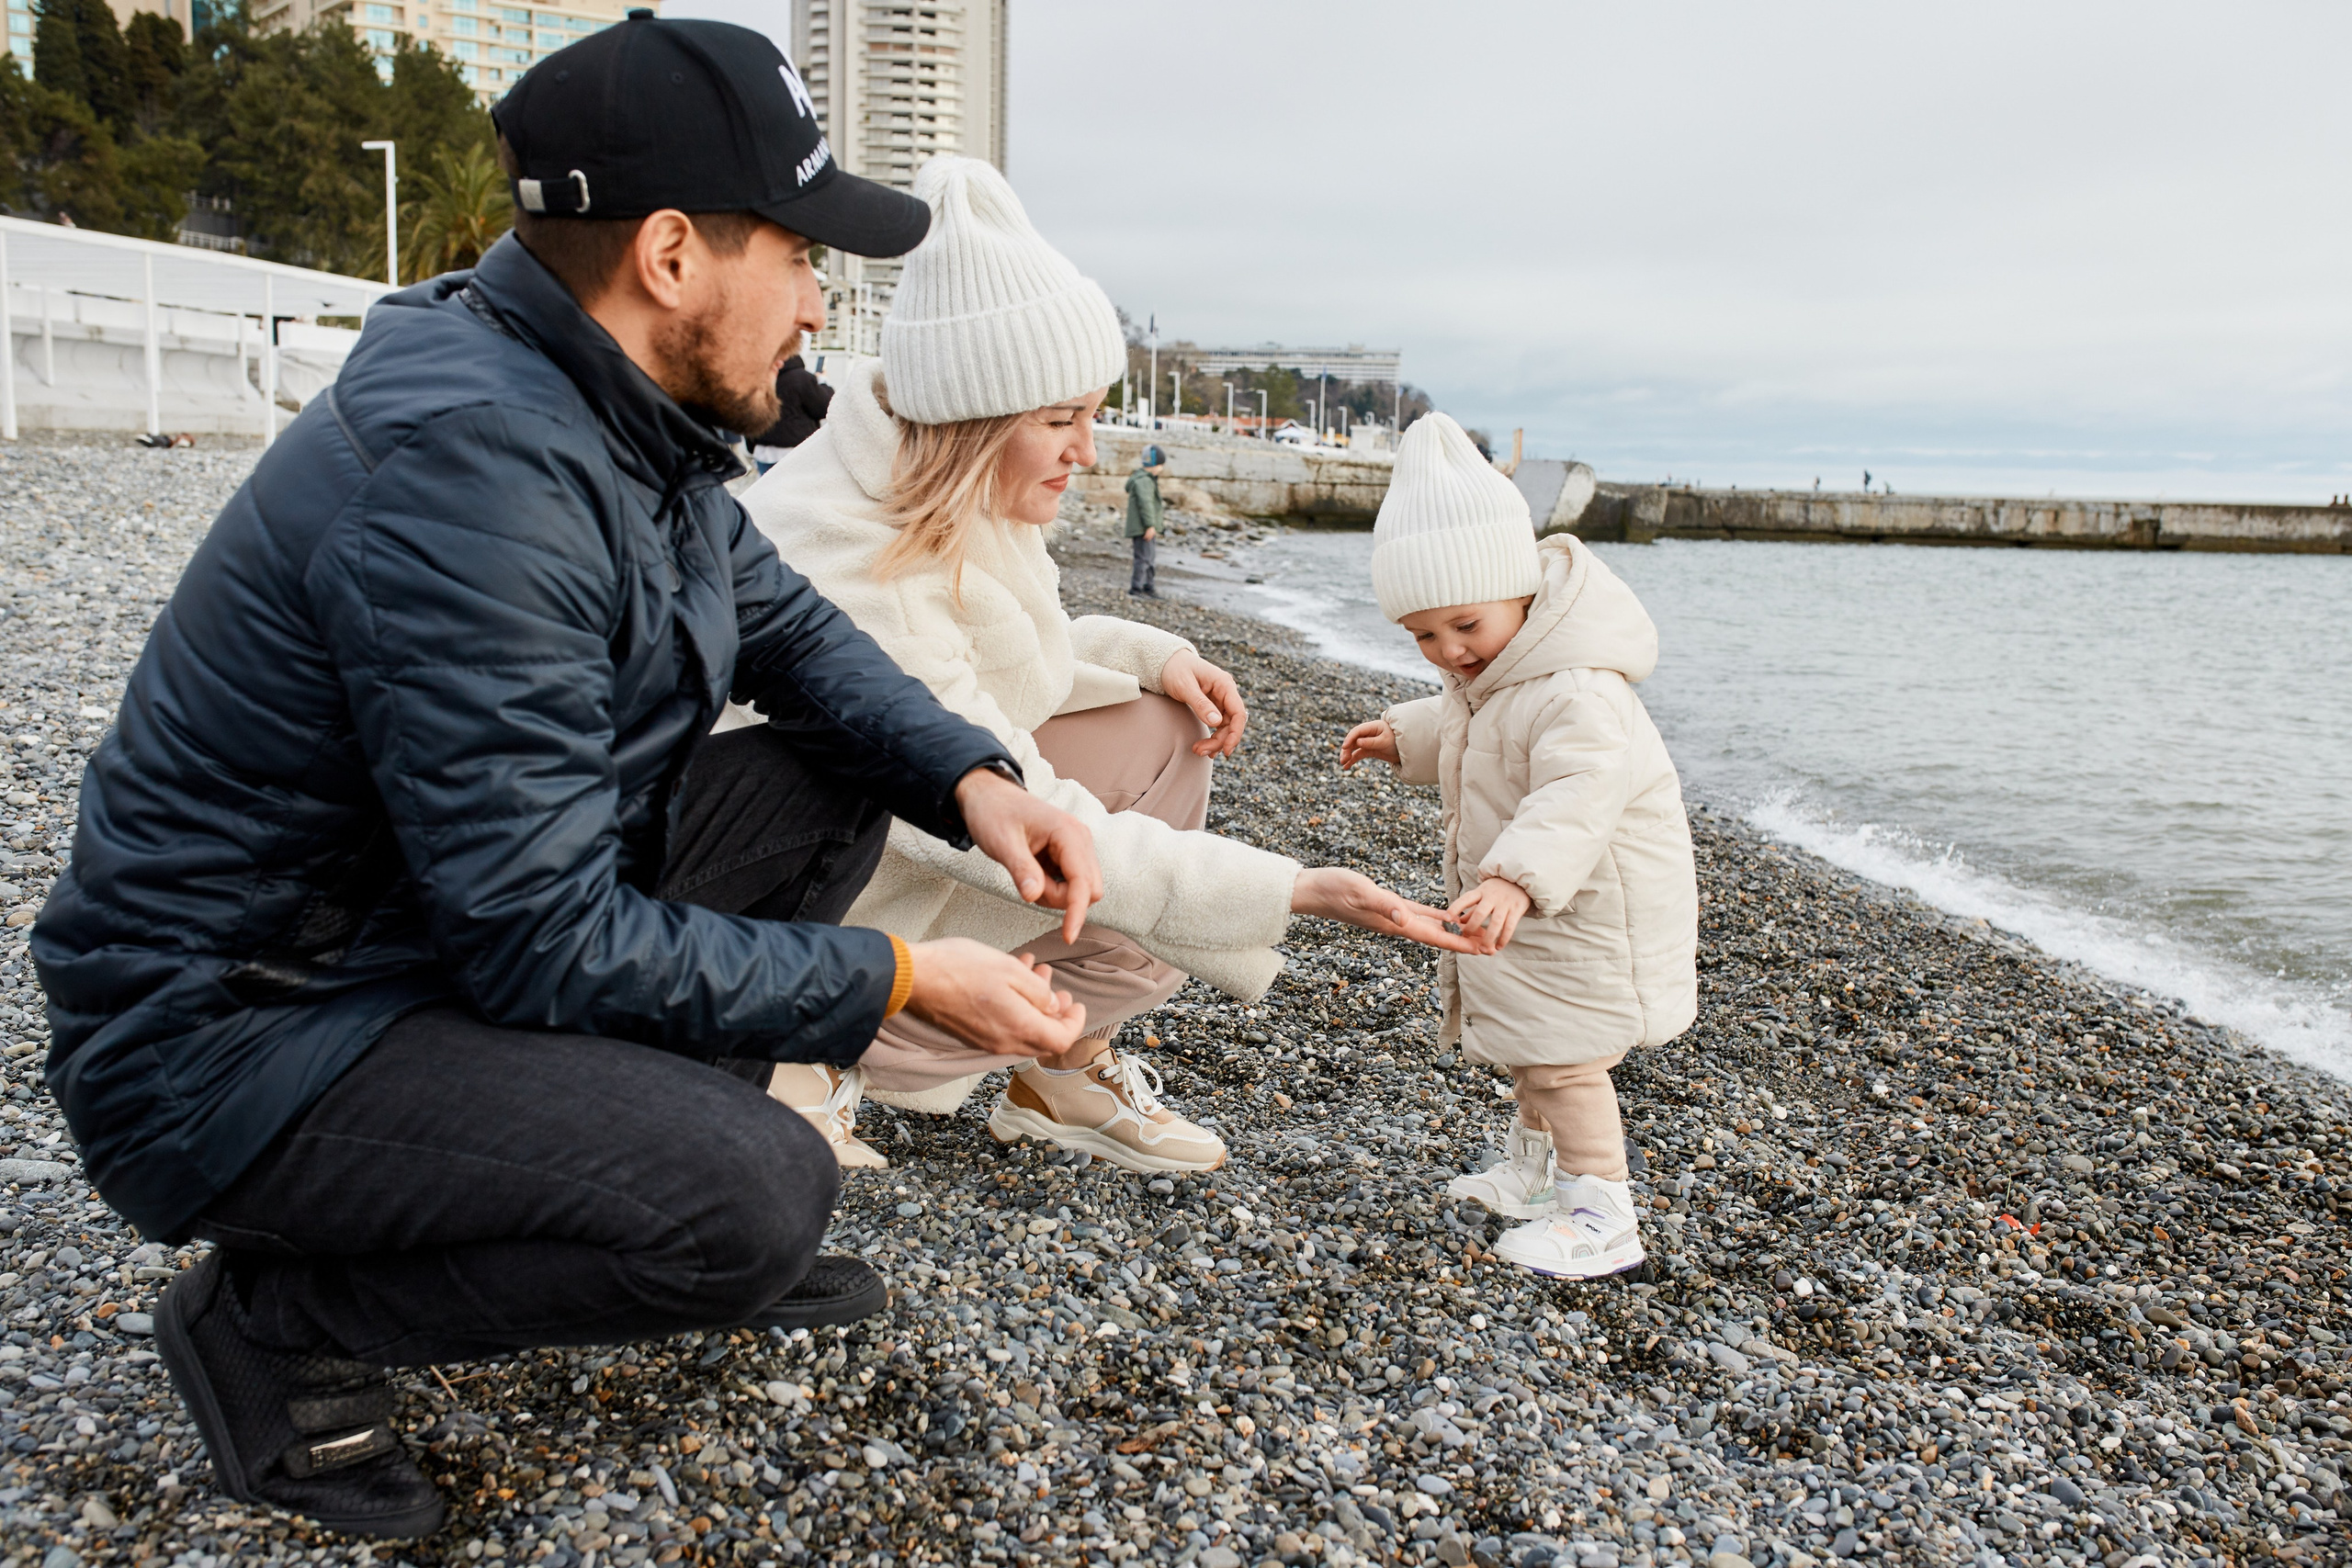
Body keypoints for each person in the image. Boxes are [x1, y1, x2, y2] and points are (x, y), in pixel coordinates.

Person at [32, 17, 1109, 1540]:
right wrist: (899, 978)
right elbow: (539, 939)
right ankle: (274, 1323)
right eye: (800, 255)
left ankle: (633, 1166)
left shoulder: (607, 408)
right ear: (671, 256)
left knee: (829, 777)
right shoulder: (478, 476)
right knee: (752, 1199)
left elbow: (788, 629)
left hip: (402, 933)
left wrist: (976, 778)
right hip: (235, 1038)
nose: (820, 302)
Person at [739, 157, 1475, 1174]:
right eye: (1061, 420)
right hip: (772, 885)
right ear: (969, 418)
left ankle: (1066, 1072)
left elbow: (1001, 646)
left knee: (1159, 727)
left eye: (1092, 414)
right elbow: (985, 798)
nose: (1088, 451)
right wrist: (1296, 889)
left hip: (871, 831)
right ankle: (792, 1049)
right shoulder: (848, 548)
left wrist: (1148, 652)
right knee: (1121, 863)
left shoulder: (948, 487)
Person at [1339, 412, 1699, 1280]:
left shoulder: (1579, 688)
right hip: (1541, 906)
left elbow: (1577, 792)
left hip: (1589, 911)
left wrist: (1513, 878)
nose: (1448, 651)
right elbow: (1474, 725)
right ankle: (1537, 1176)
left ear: (1521, 592)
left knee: (1565, 1061)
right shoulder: (1501, 672)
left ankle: (1602, 1212)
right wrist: (1407, 735)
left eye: (1464, 624)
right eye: (1423, 636)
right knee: (1533, 1044)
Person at [750, 351, 834, 468]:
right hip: (796, 452)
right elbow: (824, 407)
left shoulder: (757, 377)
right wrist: (823, 381)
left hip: (763, 452)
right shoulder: (801, 377)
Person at [1125, 444, 1165, 597]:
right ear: (1153, 464)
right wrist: (1150, 525)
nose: (1161, 469)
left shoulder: (1147, 479)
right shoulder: (1144, 481)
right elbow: (1146, 504)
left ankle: (1149, 586)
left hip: (1145, 527)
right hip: (1143, 527)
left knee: (1149, 558)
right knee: (1144, 558)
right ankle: (1137, 588)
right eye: (1160, 465)